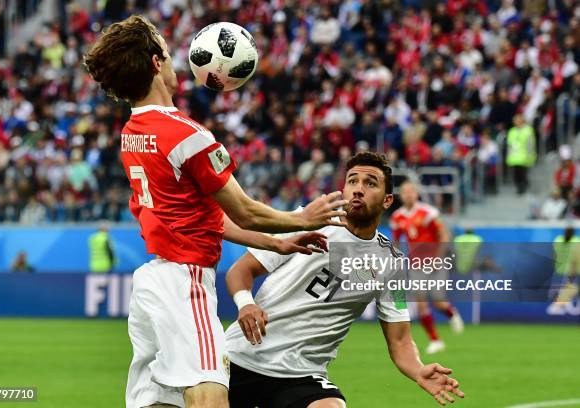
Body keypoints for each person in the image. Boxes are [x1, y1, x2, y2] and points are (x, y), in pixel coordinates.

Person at [84, 15, 348, 408]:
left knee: (162, 403)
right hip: (186, 280)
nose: (176, 63)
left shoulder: (133, 131)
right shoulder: (185, 134)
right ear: (156, 64)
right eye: (170, 55)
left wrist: (275, 243)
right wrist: (301, 218)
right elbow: (243, 210)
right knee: (210, 395)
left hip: (153, 284)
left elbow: (202, 217)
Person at [225, 152, 464, 407]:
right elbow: (240, 271)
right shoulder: (307, 221)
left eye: (370, 183)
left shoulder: (392, 266)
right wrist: (245, 304)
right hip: (240, 358)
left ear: (387, 200)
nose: (358, 189)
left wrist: (418, 370)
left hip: (300, 375)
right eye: (352, 181)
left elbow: (400, 339)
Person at [390, 181, 464, 354]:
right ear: (401, 196)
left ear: (416, 194)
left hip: (436, 262)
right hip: (416, 265)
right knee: (421, 303)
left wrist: (438, 258)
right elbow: (396, 241)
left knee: (438, 300)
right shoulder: (397, 217)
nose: (408, 195)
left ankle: (452, 314)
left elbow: (443, 234)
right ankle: (435, 340)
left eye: (411, 192)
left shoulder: (428, 213)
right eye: (405, 192)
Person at [506, 114, 536, 195]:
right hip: (514, 156)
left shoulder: (528, 130)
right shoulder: (512, 131)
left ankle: (523, 185)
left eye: (517, 120)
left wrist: (530, 155)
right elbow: (509, 145)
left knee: (522, 172)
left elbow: (530, 143)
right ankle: (519, 185)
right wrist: (509, 155)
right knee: (516, 173)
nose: (516, 122)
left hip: (524, 155)